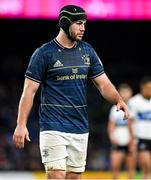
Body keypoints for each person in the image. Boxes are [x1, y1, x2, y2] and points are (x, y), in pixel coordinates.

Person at [13, 5, 129, 179]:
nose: (83, 28)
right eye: (78, 23)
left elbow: (103, 84)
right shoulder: (44, 54)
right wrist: (21, 125)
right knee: (56, 175)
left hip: (79, 126)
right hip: (53, 125)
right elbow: (29, 92)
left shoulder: (87, 51)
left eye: (84, 23)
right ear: (65, 23)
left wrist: (118, 100)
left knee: (74, 177)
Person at [108, 83, 136, 179]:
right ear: (119, 94)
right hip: (118, 140)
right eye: (122, 92)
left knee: (131, 168)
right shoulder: (114, 109)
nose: (124, 94)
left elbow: (134, 125)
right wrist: (112, 137)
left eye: (126, 92)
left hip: (131, 141)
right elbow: (111, 125)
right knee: (115, 166)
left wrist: (133, 140)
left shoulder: (134, 108)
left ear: (130, 93)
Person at [128, 76, 151, 179]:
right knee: (146, 164)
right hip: (142, 138)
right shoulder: (134, 101)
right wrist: (132, 139)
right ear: (142, 87)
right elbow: (130, 122)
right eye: (148, 88)